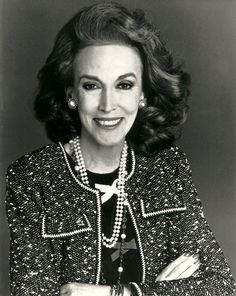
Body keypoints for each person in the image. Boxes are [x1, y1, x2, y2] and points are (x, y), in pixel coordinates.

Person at [5, 2, 235, 296]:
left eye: (124, 85)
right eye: (92, 86)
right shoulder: (33, 178)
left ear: (142, 94)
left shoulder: (166, 166)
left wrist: (116, 293)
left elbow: (219, 286)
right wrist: (165, 289)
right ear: (71, 94)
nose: (108, 105)